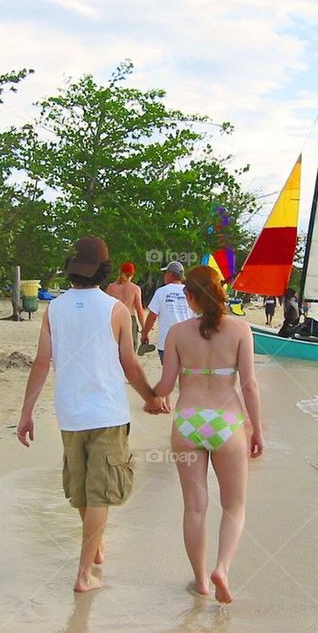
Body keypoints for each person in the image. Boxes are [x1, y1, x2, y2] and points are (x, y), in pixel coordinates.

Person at [17, 236, 168, 593]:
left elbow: (41, 363)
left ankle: (95, 544)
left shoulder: (54, 309)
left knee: (82, 488)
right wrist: (151, 397)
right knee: (99, 492)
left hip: (70, 413)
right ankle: (84, 575)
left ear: (72, 270)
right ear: (103, 270)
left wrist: (26, 413)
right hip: (107, 413)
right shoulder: (115, 310)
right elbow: (129, 364)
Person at [152, 265, 264, 603]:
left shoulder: (177, 333)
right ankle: (222, 570)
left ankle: (201, 581)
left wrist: (148, 396)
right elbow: (250, 386)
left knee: (195, 507)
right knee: (234, 505)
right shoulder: (241, 329)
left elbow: (165, 386)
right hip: (226, 422)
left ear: (189, 297)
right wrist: (257, 430)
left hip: (188, 421)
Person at [142, 261, 193, 364]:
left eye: (165, 273)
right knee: (184, 372)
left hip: (166, 342)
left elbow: (152, 316)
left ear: (170, 275)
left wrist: (145, 333)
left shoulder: (161, 292)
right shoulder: (190, 292)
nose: (164, 276)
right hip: (186, 342)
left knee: (168, 372)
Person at [105, 262, 146, 353]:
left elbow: (106, 307)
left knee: (115, 348)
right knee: (130, 348)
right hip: (129, 318)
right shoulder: (135, 288)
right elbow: (139, 309)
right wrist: (144, 327)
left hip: (114, 319)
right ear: (132, 274)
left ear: (120, 272)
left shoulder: (111, 287)